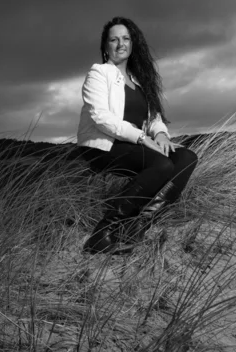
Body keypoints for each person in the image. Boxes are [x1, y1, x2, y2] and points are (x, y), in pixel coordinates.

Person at [77, 16, 198, 254]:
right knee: (161, 164)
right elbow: (101, 118)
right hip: (103, 145)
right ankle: (102, 233)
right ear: (105, 46)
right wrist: (143, 139)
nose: (120, 44)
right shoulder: (99, 73)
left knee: (186, 158)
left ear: (133, 44)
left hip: (134, 145)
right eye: (114, 40)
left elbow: (153, 119)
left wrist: (161, 135)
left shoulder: (139, 81)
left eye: (125, 38)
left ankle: (137, 226)